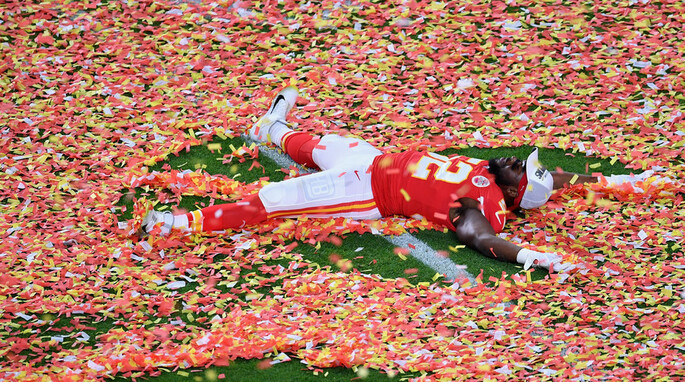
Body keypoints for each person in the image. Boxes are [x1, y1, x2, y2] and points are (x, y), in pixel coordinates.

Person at [140, 87, 658, 271]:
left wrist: (527, 255)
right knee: (315, 144)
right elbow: (557, 179)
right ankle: (270, 127)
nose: (515, 161)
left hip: (363, 190)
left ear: (515, 191)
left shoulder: (485, 203)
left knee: (272, 201)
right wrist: (620, 181)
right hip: (374, 159)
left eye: (521, 169)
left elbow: (478, 238)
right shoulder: (496, 176)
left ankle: (177, 224)